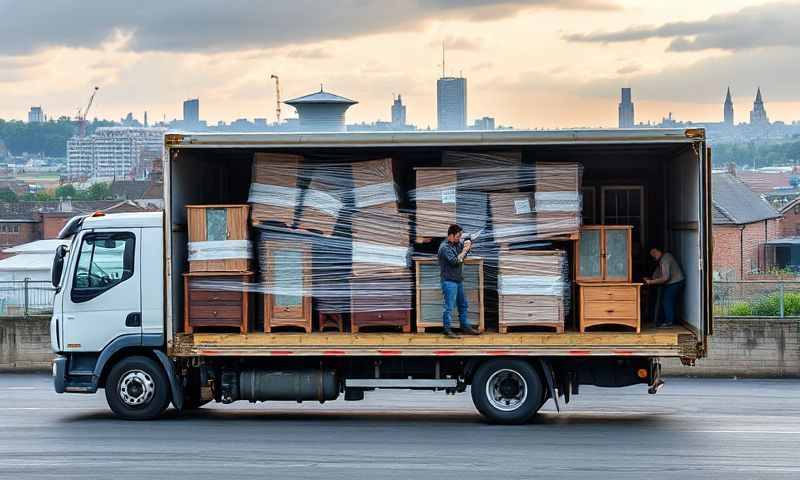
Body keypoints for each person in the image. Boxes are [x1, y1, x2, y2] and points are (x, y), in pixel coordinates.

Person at [438, 224, 480, 338]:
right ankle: (447, 330)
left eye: (461, 236)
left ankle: (464, 326)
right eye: (458, 236)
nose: (459, 238)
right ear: (450, 235)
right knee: (449, 307)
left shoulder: (457, 244)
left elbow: (465, 253)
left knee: (463, 305)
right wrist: (464, 250)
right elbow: (455, 261)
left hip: (458, 280)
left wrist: (468, 245)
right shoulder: (444, 247)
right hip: (449, 281)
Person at [644, 247, 685, 328]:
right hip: (674, 282)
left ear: (658, 250)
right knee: (666, 300)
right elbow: (658, 273)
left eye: (654, 252)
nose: (653, 255)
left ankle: (669, 322)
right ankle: (667, 320)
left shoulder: (665, 259)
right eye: (652, 254)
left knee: (666, 301)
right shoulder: (662, 259)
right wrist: (650, 279)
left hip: (676, 282)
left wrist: (651, 282)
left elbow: (665, 278)